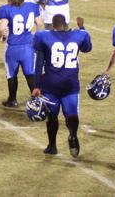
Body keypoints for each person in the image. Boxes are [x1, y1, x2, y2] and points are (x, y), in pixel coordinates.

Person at [32, 15, 92, 157]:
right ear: (65, 24)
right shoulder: (79, 35)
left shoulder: (43, 36)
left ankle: (52, 146)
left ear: (53, 25)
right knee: (71, 114)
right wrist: (82, 27)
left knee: (52, 116)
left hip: (50, 84)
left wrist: (36, 86)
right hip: (70, 84)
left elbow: (39, 64)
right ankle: (73, 135)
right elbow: (87, 48)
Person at [0, 0, 43, 107]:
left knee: (11, 74)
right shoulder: (32, 7)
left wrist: (1, 37)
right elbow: (39, 23)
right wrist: (36, 38)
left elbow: (1, 28)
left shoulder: (6, 10)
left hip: (12, 48)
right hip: (28, 47)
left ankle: (12, 100)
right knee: (30, 73)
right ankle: (37, 101)